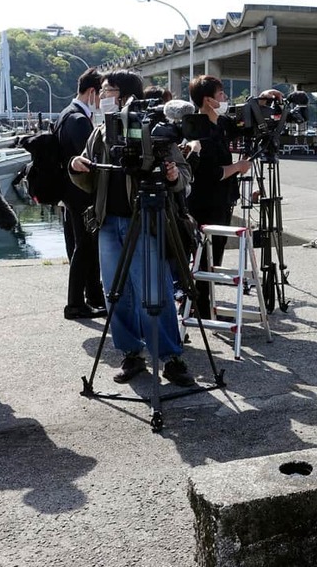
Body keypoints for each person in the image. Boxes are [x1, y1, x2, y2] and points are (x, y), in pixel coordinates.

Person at [69, 70, 196, 387]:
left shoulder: (151, 126)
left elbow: (183, 173)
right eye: (101, 90)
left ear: (127, 95)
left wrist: (170, 176)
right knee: (117, 293)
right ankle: (131, 354)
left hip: (147, 220)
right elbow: (88, 175)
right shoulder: (99, 132)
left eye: (108, 90)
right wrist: (76, 166)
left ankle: (170, 357)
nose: (102, 96)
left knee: (154, 291)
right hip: (107, 222)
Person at [186, 75, 252, 318]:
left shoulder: (221, 124)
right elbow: (210, 174)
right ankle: (199, 309)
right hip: (206, 203)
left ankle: (205, 306)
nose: (225, 99)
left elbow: (246, 125)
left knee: (216, 255)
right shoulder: (200, 131)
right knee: (204, 257)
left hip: (224, 200)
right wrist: (238, 167)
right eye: (221, 94)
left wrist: (264, 104)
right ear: (208, 100)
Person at [57, 67, 106, 320]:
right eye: (103, 93)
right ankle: (75, 303)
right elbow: (89, 160)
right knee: (84, 247)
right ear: (91, 92)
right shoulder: (77, 120)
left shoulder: (67, 114)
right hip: (79, 193)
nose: (104, 100)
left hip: (70, 193)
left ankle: (93, 296)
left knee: (84, 246)